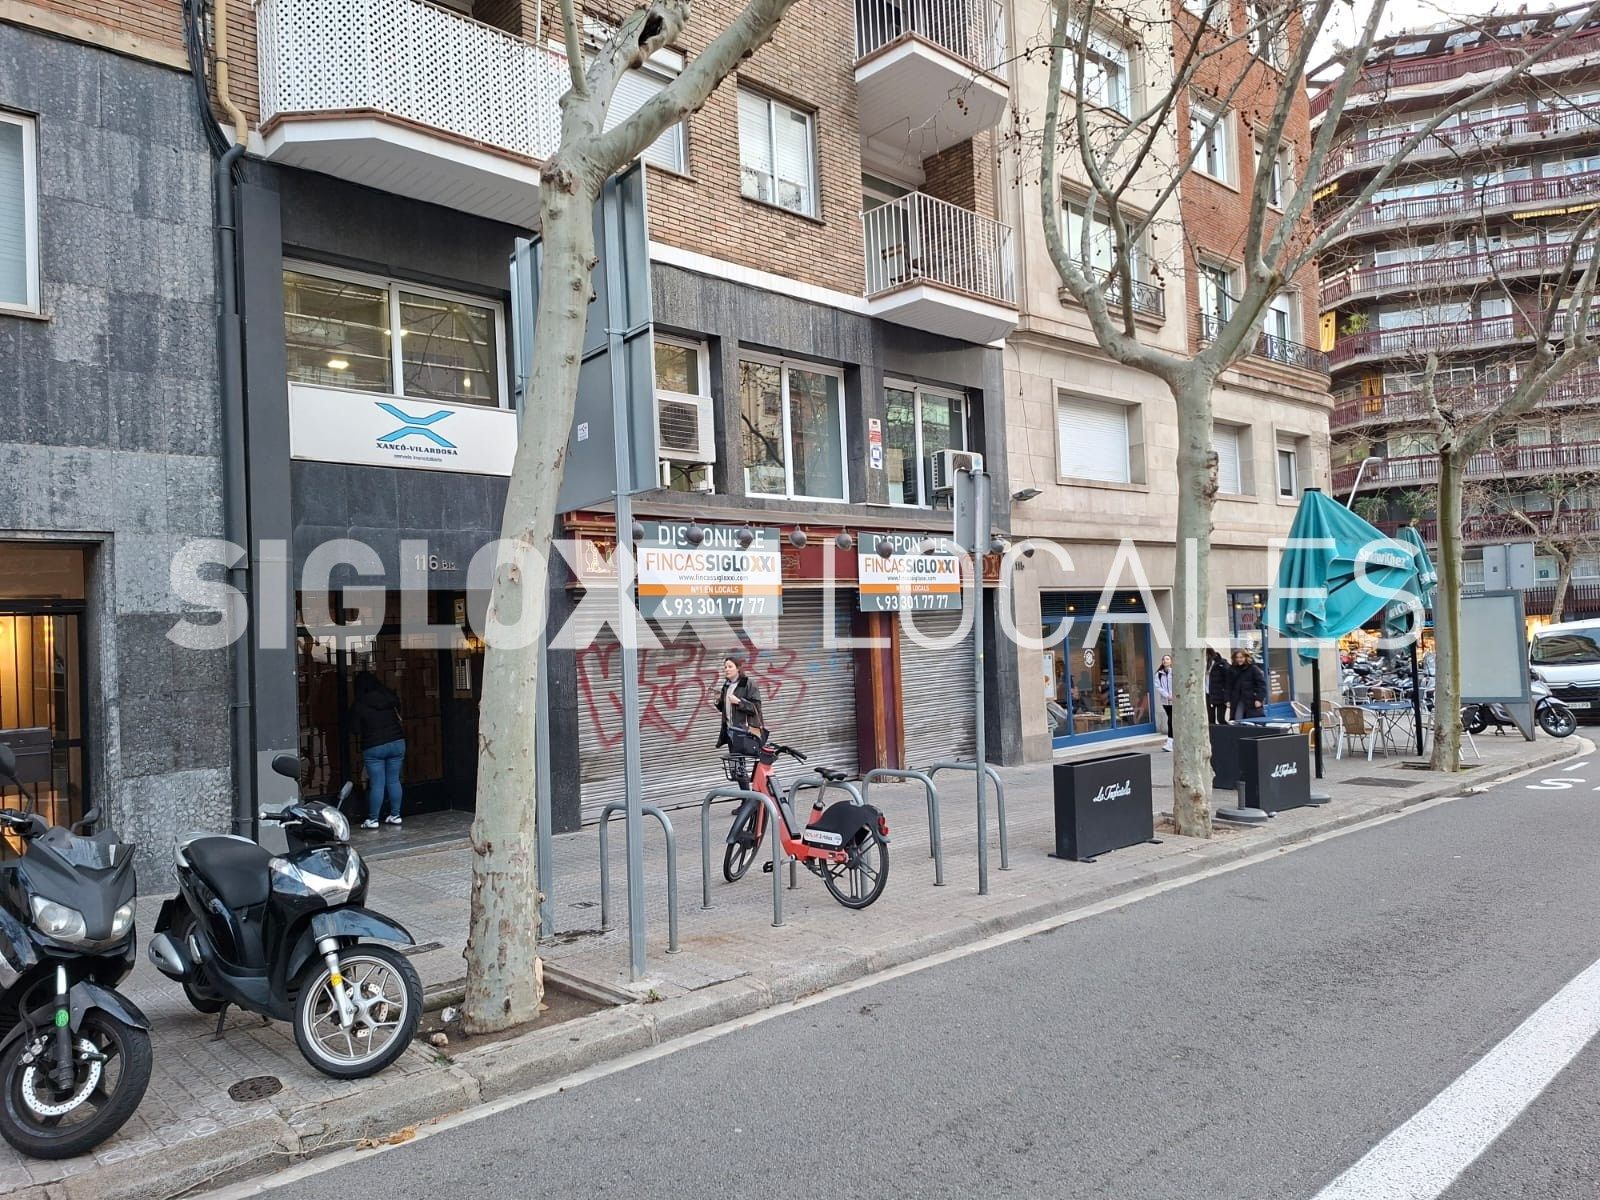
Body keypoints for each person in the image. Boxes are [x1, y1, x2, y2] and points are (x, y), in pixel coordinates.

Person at [352, 672, 405, 829]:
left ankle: (373, 820)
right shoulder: (389, 698)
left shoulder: (359, 704)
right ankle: (396, 815)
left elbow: (355, 728)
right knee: (394, 780)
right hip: (397, 742)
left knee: (377, 784)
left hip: (374, 746)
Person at [709, 655, 764, 755]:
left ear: (738, 668)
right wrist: (718, 700)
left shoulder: (748, 684)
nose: (727, 669)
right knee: (735, 763)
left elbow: (756, 708)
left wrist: (739, 702)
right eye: (725, 667)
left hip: (744, 731)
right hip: (730, 730)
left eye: (730, 667)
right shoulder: (726, 685)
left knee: (740, 762)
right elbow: (724, 709)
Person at [1227, 648, 1267, 723]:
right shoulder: (1231, 670)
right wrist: (1227, 700)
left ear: (1246, 657)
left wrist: (1259, 699)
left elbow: (1261, 685)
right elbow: (1228, 686)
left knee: (1253, 721)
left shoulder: (1253, 669)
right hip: (1237, 700)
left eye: (1241, 657)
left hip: (1251, 700)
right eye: (1237, 658)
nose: (1239, 660)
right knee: (1238, 720)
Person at [1154, 654, 1174, 752]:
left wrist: (1174, 696)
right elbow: (1158, 687)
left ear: (1171, 661)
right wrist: (1167, 695)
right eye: (1163, 659)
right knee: (1171, 721)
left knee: (1171, 721)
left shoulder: (1174, 672)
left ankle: (1170, 742)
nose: (1165, 661)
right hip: (1165, 702)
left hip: (1175, 702)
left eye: (1167, 659)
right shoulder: (1159, 674)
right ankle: (1171, 742)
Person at [1206, 648, 1230, 725]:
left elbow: (1228, 679)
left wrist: (1227, 696)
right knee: (1210, 719)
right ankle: (1212, 736)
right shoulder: (1203, 664)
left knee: (1221, 719)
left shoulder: (1221, 664)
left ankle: (1225, 735)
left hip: (1220, 695)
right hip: (1208, 694)